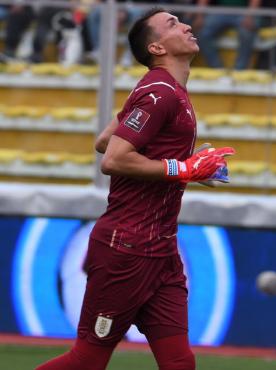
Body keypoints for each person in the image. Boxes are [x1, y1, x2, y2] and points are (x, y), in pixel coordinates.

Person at [35, 7, 235, 370]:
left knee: (179, 363)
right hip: (126, 249)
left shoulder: (162, 90)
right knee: (87, 361)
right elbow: (111, 158)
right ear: (157, 48)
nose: (187, 25)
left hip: (160, 252)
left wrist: (193, 170)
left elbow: (102, 140)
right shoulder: (161, 93)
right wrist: (182, 168)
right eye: (173, 24)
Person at [194, 0, 262, 70]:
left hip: (245, 12)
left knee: (246, 32)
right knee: (202, 32)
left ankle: (240, 70)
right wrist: (199, 16)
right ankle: (217, 69)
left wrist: (250, 16)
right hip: (221, 11)